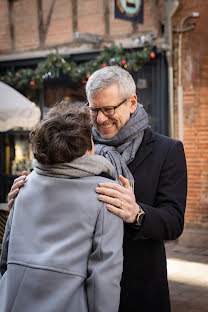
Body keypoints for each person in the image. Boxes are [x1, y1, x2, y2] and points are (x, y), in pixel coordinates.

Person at [8, 66, 187, 312]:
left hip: (140, 288)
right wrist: (29, 189)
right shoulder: (77, 143)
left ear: (132, 102)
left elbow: (174, 222)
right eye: (94, 109)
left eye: (109, 109)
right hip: (78, 291)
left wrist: (137, 214)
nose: (100, 119)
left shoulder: (167, 151)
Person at [0, 103, 123, 312]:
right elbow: (104, 276)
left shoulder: (24, 185)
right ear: (88, 146)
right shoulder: (106, 193)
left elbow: (5, 258)